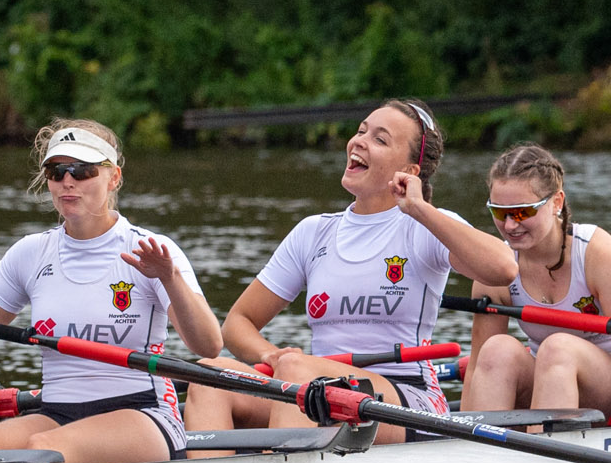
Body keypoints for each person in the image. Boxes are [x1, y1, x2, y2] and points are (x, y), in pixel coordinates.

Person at [0, 120, 221, 463]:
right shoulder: (31, 254)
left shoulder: (151, 250)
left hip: (141, 413)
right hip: (58, 413)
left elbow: (208, 346)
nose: (68, 181)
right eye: (56, 171)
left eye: (83, 170)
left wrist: (170, 279)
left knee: (42, 448)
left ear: (113, 177)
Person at [190, 100, 515, 443]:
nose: (359, 141)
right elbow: (238, 322)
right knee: (210, 375)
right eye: (361, 131)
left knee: (299, 371)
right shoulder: (313, 233)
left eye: (380, 139)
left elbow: (503, 268)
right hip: (318, 394)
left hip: (408, 401)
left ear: (409, 170)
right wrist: (270, 355)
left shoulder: (424, 226)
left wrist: (420, 208)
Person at [460, 145, 611, 424]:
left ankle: (542, 454)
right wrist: (456, 435)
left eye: (521, 212)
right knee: (497, 350)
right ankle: (480, 454)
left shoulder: (596, 253)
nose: (509, 225)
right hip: (553, 381)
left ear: (556, 202)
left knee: (558, 348)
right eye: (499, 212)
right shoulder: (497, 267)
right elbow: (476, 367)